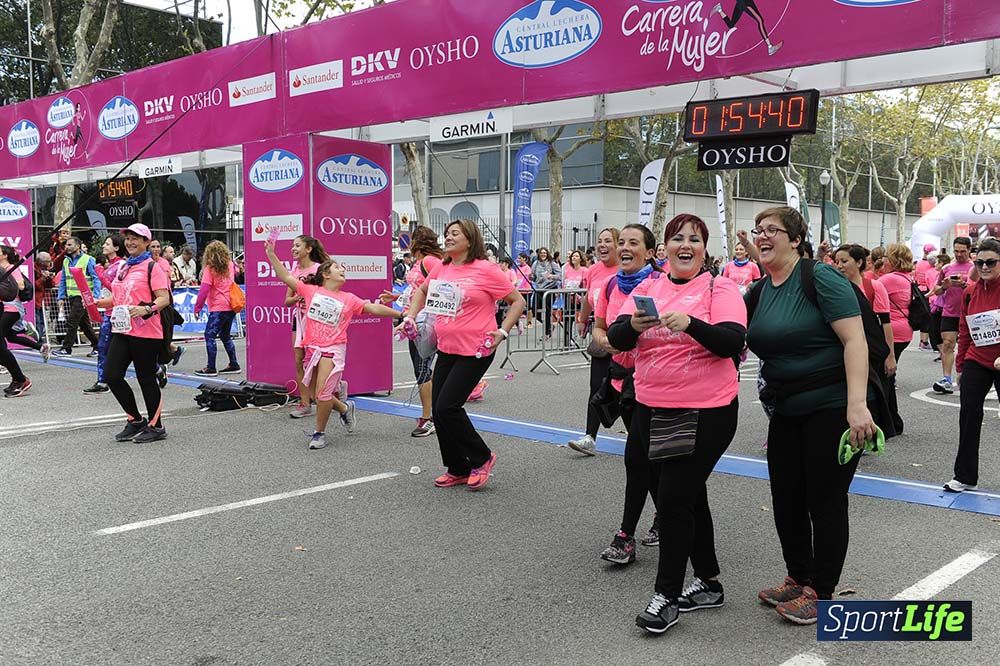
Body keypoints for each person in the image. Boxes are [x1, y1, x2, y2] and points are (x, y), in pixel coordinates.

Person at [605, 214, 746, 634]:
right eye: (677, 238)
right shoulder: (649, 288)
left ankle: (666, 597)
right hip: (651, 407)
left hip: (706, 410)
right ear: (664, 248)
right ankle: (708, 583)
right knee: (688, 496)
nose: (686, 245)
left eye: (695, 239)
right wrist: (634, 325)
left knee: (672, 499)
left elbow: (732, 340)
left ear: (704, 249)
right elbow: (617, 337)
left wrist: (692, 324)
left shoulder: (720, 287)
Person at [746, 207, 877, 626]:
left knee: (825, 499)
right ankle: (798, 576)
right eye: (759, 230)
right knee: (786, 497)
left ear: (796, 239)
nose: (763, 236)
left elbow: (855, 340)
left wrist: (857, 405)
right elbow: (731, 335)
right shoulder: (760, 290)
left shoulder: (820, 277)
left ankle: (821, 592)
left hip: (831, 407)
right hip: (785, 408)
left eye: (773, 230)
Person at [400, 220, 526, 489]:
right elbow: (422, 291)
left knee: (448, 407)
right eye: (446, 233)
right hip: (446, 347)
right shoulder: (442, 267)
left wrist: (502, 332)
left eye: (454, 233)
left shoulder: (486, 269)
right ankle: (457, 467)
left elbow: (517, 301)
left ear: (470, 239)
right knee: (438, 410)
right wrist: (410, 316)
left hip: (477, 349)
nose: (448, 237)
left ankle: (482, 457)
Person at [265, 240, 401, 449]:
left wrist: (401, 315)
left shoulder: (349, 298)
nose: (342, 270)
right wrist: (271, 254)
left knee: (322, 394)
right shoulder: (310, 291)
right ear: (326, 274)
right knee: (315, 394)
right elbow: (285, 276)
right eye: (338, 267)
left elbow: (374, 308)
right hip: (313, 349)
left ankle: (319, 433)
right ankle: (345, 409)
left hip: (333, 349)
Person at [592, 224, 665, 562]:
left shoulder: (659, 284)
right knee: (645, 458)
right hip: (620, 380)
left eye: (633, 243)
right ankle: (665, 516)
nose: (624, 247)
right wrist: (606, 340)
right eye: (621, 242)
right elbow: (600, 327)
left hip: (650, 383)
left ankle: (627, 535)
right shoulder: (611, 284)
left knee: (639, 458)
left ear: (649, 252)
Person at [94, 224, 172, 443]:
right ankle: (135, 420)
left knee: (145, 378)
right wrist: (97, 303)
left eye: (135, 238)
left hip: (146, 332)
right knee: (111, 375)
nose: (130, 242)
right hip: (123, 329)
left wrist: (145, 309)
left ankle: (156, 426)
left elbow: (164, 298)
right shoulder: (124, 267)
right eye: (127, 238)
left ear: (146, 242)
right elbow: (118, 299)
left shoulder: (152, 267)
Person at [944, 238, 1000, 493]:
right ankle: (965, 476)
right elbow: (964, 329)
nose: (984, 267)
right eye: (980, 263)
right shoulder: (970, 292)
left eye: (991, 262)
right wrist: (961, 365)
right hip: (977, 359)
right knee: (968, 415)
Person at [379, 226, 444, 437]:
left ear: (417, 241)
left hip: (426, 321)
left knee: (422, 368)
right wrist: (397, 297)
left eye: (412, 238)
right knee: (421, 369)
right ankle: (433, 414)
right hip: (414, 320)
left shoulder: (430, 261)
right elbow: (416, 290)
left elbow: (440, 289)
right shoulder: (419, 261)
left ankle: (429, 418)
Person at [834, 244, 901, 434]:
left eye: (844, 261)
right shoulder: (835, 287)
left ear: (859, 262)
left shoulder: (874, 286)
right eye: (837, 261)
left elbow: (885, 323)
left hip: (872, 350)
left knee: (873, 393)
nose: (839, 266)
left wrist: (890, 356)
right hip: (844, 349)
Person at [568, 228, 620, 455]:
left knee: (629, 391)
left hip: (626, 339)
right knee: (596, 387)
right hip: (601, 336)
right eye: (600, 241)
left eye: (608, 241)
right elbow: (589, 298)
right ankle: (589, 437)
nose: (602, 245)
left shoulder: (628, 269)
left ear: (619, 245)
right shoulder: (593, 271)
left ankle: (640, 439)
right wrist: (582, 319)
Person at [284, 235, 329, 419]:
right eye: (292, 245)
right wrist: (298, 297)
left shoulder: (319, 269)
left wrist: (312, 297)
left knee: (316, 361)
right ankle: (305, 403)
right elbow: (287, 300)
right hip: (299, 318)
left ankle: (331, 390)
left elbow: (329, 295)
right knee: (298, 360)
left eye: (297, 245)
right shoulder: (294, 270)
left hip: (316, 320)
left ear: (308, 249)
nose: (293, 248)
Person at [84, 235, 128, 394]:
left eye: (107, 244)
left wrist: (100, 274)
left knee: (132, 348)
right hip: (109, 311)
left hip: (120, 312)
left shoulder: (121, 265)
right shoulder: (111, 265)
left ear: (116, 247)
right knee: (103, 346)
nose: (103, 246)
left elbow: (117, 289)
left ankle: (156, 368)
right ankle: (102, 381)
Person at [0, 246, 46, 396]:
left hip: (12, 308)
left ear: (5, 255)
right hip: (3, 308)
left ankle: (20, 379)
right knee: (9, 338)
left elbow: (20, 286)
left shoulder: (11, 268)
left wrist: (6, 283)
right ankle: (18, 378)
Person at [932, 237, 975, 394]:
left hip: (970, 312)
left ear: (969, 250)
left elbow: (979, 289)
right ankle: (946, 379)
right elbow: (936, 291)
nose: (959, 254)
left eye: (962, 251)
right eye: (956, 251)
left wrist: (963, 284)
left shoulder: (975, 268)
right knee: (947, 344)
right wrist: (944, 286)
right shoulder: (947, 268)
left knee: (970, 348)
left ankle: (965, 376)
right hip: (950, 312)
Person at [193, 241, 241, 377]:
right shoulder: (230, 265)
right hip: (231, 305)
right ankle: (234, 364)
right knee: (225, 335)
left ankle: (211, 367)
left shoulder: (210, 269)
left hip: (218, 307)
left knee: (210, 335)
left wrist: (197, 307)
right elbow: (237, 272)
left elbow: (204, 290)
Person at [53, 236, 101, 357]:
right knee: (84, 324)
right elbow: (63, 279)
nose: (66, 247)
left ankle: (66, 348)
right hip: (72, 297)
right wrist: (61, 297)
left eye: (70, 245)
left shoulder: (88, 259)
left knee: (72, 321)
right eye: (66, 245)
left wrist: (95, 296)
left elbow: (96, 278)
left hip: (83, 296)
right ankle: (98, 346)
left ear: (78, 246)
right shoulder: (66, 261)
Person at [711, 0, 782, 55]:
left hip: (742, 3)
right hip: (745, 2)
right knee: (760, 20)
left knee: (731, 24)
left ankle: (719, 10)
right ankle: (770, 47)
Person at [531, 247, 560, 338]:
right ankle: (549, 325)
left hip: (550, 289)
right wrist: (531, 277)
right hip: (539, 289)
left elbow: (560, 275)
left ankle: (547, 332)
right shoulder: (535, 263)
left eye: (544, 253)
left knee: (547, 311)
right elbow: (533, 277)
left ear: (547, 254)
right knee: (534, 309)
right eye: (541, 253)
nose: (543, 254)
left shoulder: (552, 263)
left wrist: (552, 276)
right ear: (538, 254)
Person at [914, 243, 937, 350]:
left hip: (919, 290)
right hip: (929, 291)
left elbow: (915, 277)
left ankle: (922, 340)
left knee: (922, 315)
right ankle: (925, 341)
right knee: (928, 316)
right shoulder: (931, 265)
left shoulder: (918, 263)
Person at [33, 252, 56, 339]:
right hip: (34, 300)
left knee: (42, 321)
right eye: (48, 261)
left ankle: (40, 338)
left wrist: (49, 278)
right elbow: (34, 286)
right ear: (42, 262)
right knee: (37, 322)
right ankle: (38, 340)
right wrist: (42, 278)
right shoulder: (33, 270)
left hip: (41, 301)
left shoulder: (45, 270)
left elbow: (51, 285)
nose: (50, 263)